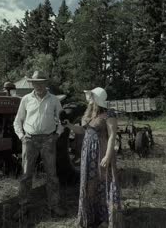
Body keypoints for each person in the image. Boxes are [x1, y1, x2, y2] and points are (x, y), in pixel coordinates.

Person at [63, 87, 123, 228]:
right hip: (88, 153)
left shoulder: (109, 114)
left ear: (97, 99)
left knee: (104, 182)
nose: (88, 98)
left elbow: (112, 135)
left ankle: (106, 219)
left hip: (102, 152)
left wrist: (108, 156)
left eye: (91, 96)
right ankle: (90, 217)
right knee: (89, 183)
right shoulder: (88, 114)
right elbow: (81, 130)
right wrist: (69, 125)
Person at [13, 70, 66, 219]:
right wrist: (22, 137)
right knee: (26, 175)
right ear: (32, 83)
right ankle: (23, 206)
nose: (38, 85)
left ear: (45, 83)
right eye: (35, 82)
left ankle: (54, 205)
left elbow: (63, 120)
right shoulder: (25, 99)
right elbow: (18, 121)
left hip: (48, 140)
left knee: (52, 175)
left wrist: (56, 135)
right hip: (29, 140)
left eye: (41, 82)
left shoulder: (54, 100)